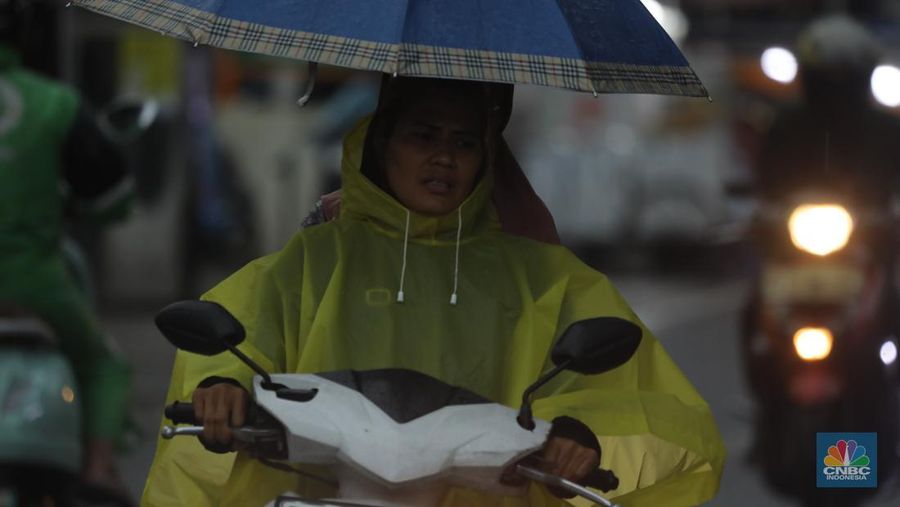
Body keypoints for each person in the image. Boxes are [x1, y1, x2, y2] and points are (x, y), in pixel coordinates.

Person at [142, 76, 725, 506]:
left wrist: (577, 430)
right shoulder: (313, 261)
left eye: (465, 142)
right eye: (423, 135)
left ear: (485, 157)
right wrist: (223, 387)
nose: (444, 156)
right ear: (381, 143)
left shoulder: (545, 277)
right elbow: (239, 333)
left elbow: (646, 400)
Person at [0, 0, 133, 499]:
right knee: (103, 366)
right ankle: (98, 470)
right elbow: (113, 195)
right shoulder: (55, 103)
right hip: (33, 282)